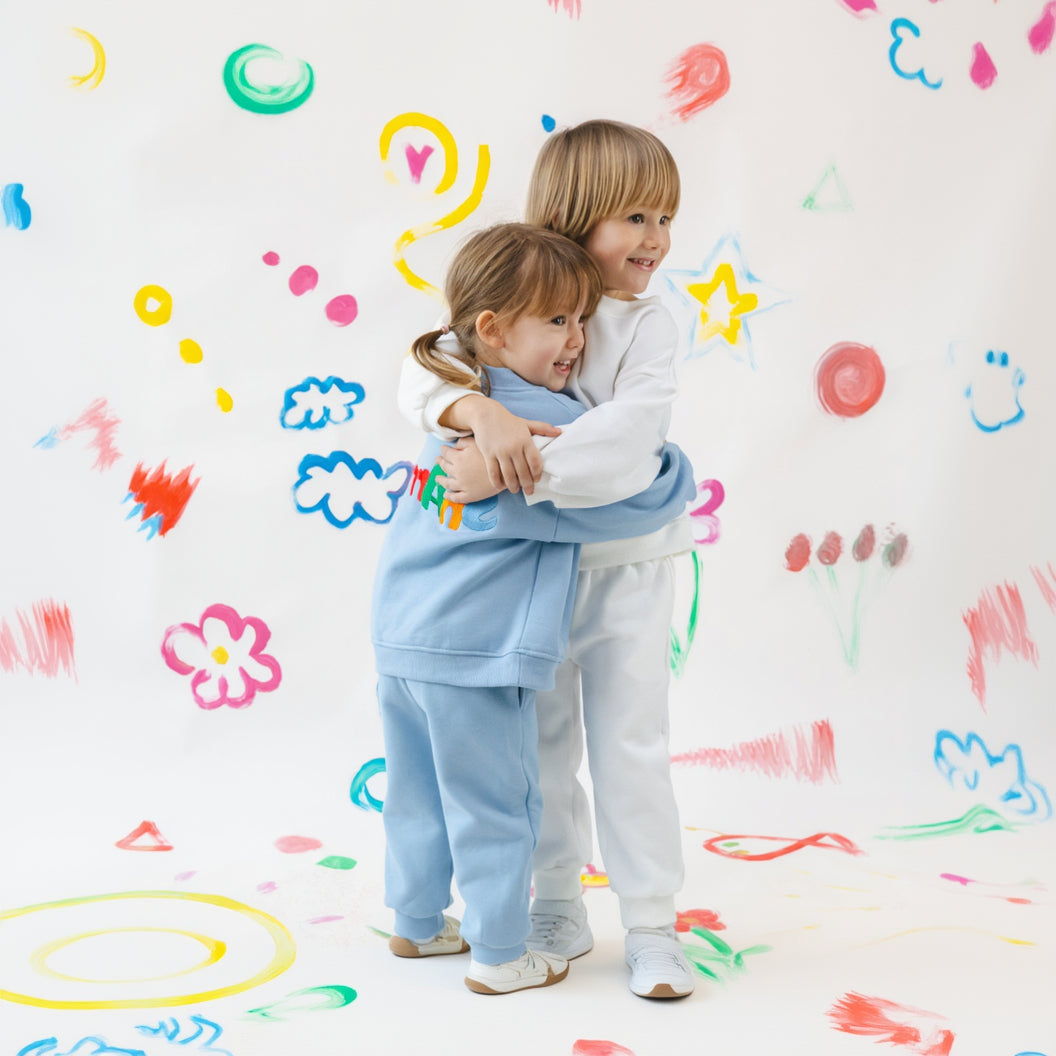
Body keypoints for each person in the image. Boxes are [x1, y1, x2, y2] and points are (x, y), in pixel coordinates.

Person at [396, 120, 698, 999]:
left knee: (631, 743)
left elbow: (628, 444)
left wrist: (500, 472)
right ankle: (556, 902)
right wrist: (474, 415)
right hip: (531, 576)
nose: (657, 238)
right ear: (576, 213)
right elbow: (415, 374)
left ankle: (651, 923)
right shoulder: (521, 293)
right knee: (543, 743)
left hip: (629, 567)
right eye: (636, 216)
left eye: (665, 217)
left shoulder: (649, 325)